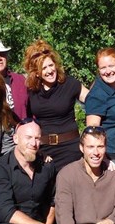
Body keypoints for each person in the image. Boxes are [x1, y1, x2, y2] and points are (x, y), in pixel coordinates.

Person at [23, 40, 89, 171]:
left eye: (51, 65)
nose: (49, 71)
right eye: (44, 68)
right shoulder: (31, 91)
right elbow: (27, 120)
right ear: (37, 73)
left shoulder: (70, 84)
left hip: (70, 149)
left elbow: (94, 100)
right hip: (44, 151)